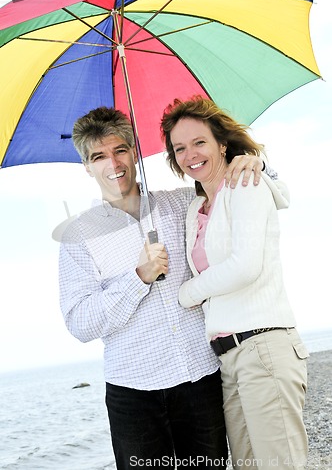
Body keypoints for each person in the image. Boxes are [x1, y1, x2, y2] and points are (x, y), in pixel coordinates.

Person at [57, 106, 284, 470]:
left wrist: (254, 162)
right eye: (98, 156)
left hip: (199, 380)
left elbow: (231, 185)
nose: (112, 163)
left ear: (135, 152)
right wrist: (138, 278)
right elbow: (79, 323)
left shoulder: (181, 203)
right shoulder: (78, 237)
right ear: (86, 166)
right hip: (133, 393)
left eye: (120, 150)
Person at [161, 96, 309, 470]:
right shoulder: (196, 209)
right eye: (179, 148)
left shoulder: (245, 183)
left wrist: (188, 294)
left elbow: (245, 266)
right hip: (227, 358)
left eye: (199, 142)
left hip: (263, 347)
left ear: (222, 144)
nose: (190, 154)